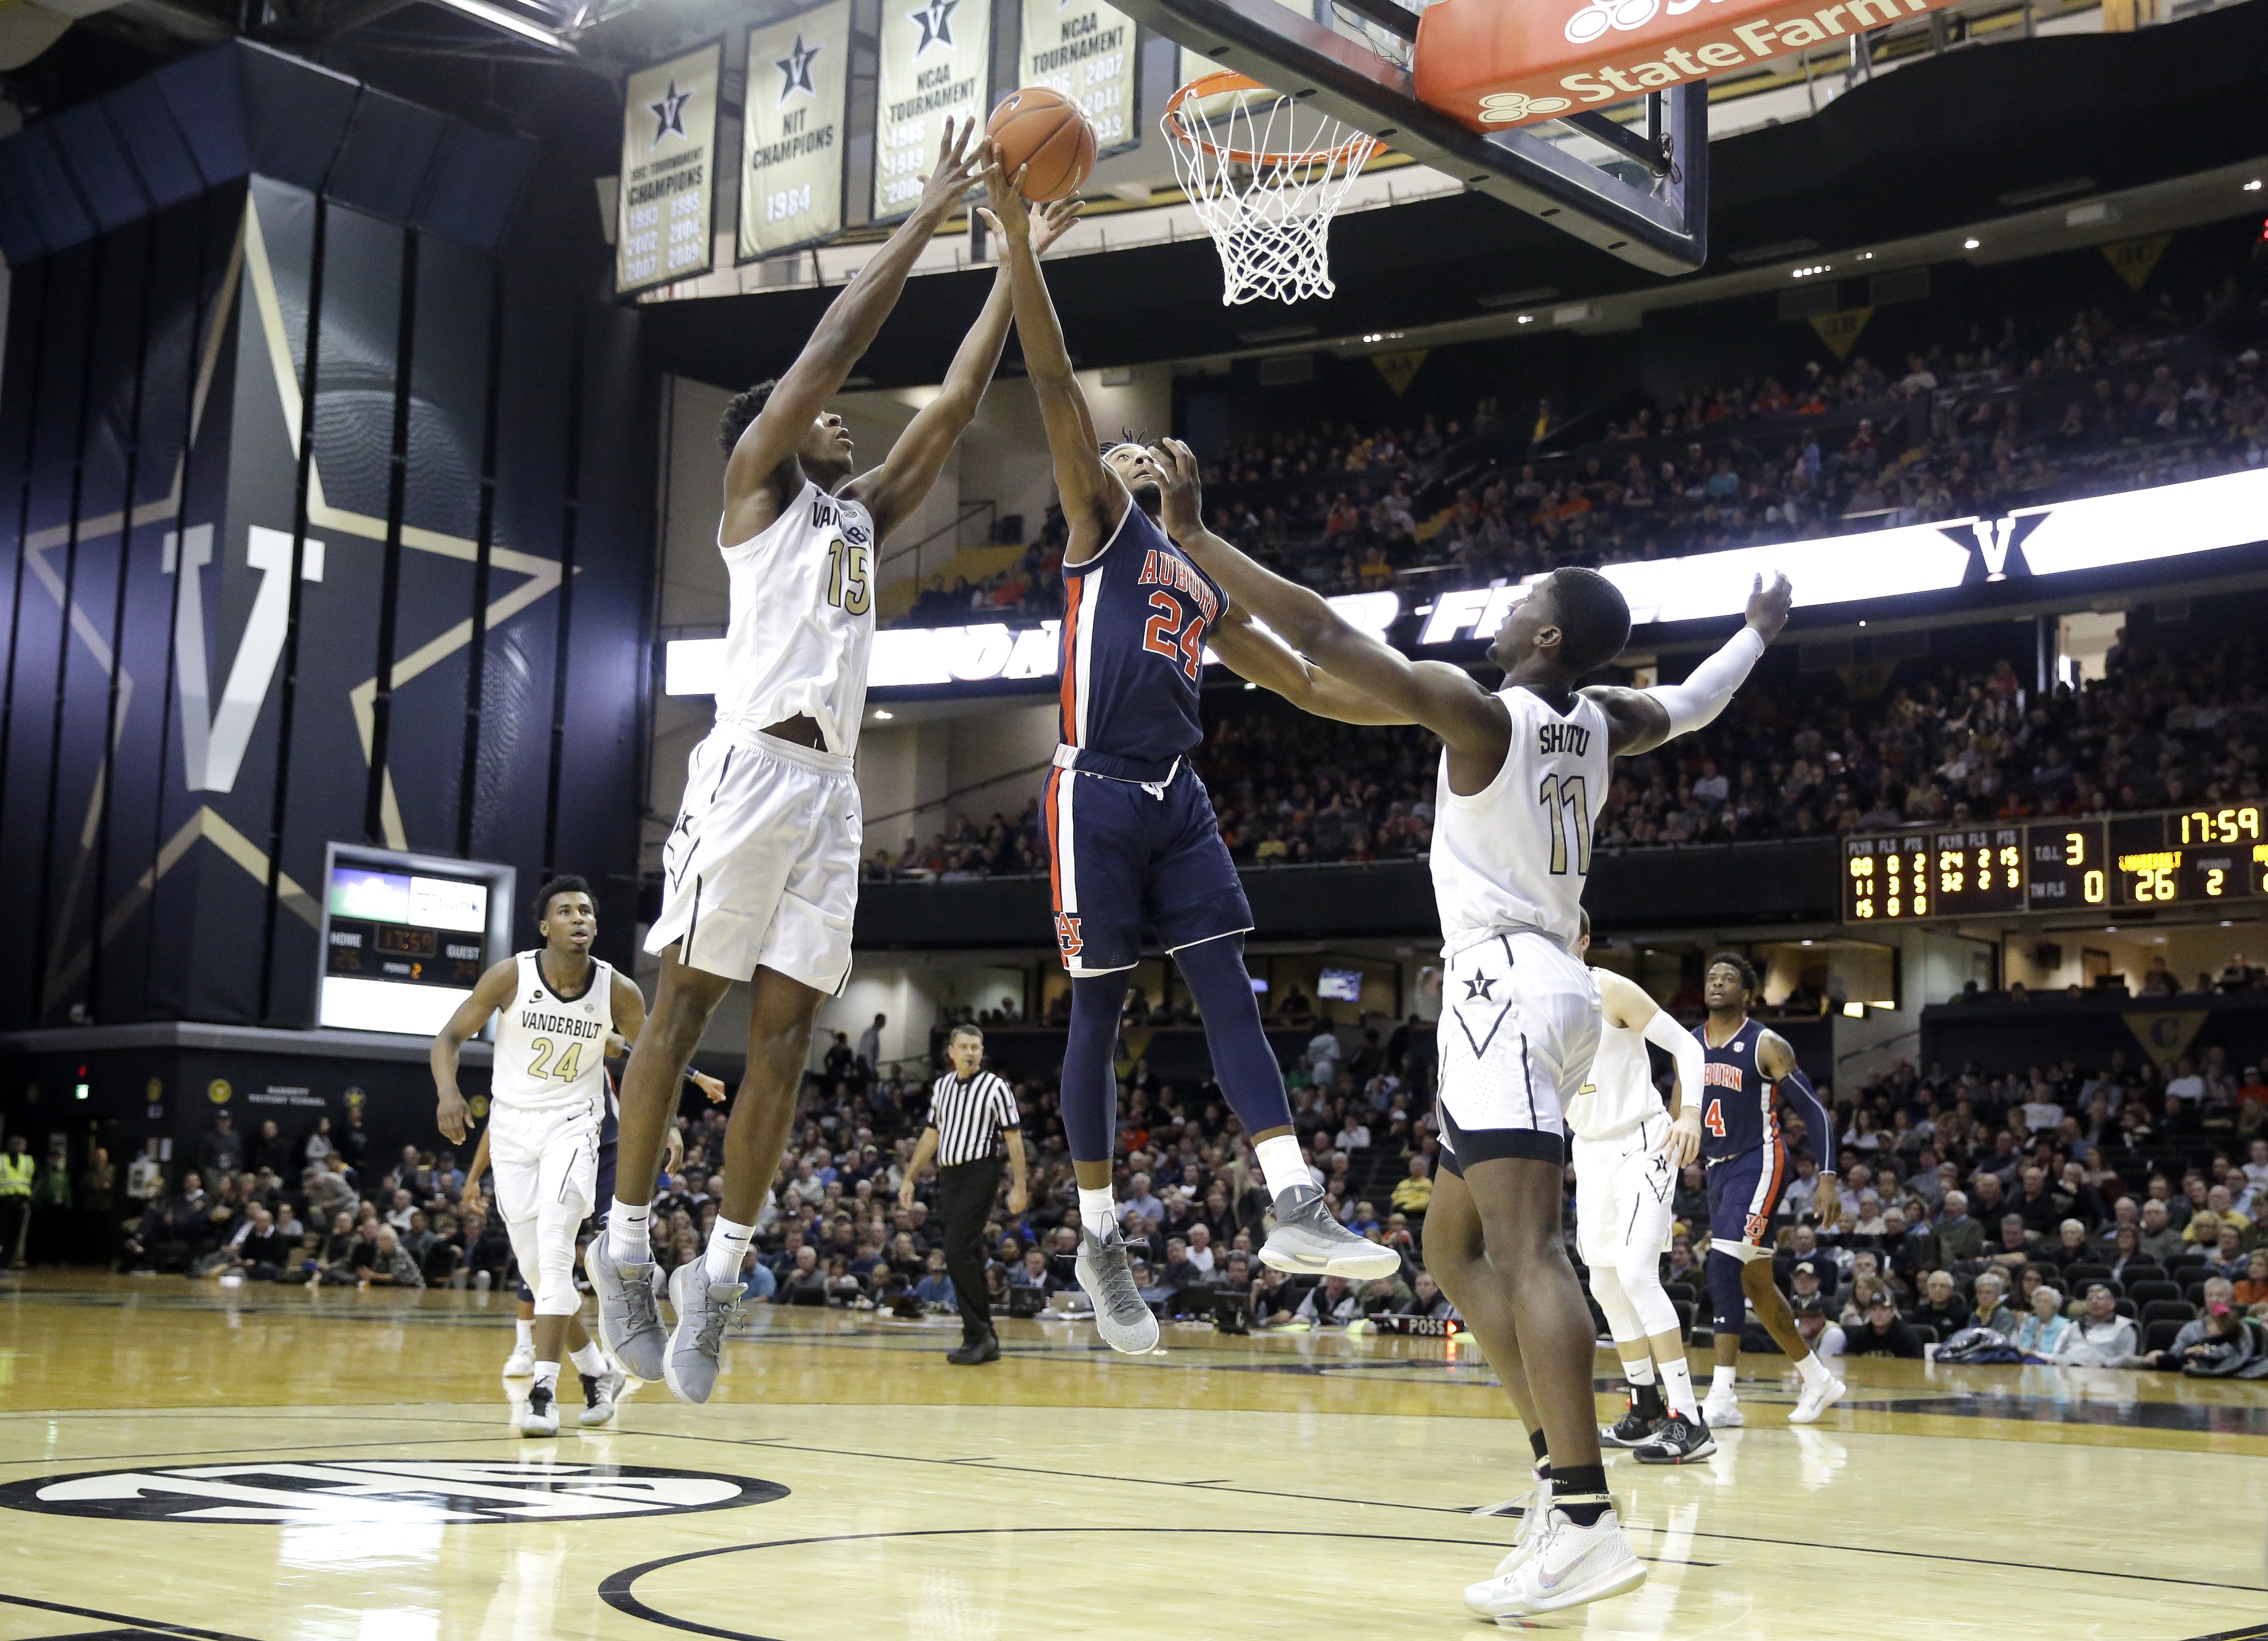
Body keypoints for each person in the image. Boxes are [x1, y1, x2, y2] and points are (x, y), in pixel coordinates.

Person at [1139, 432, 1792, 1618]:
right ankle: (1556, 1473)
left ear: (1545, 636)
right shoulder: (1599, 718)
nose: (1501, 609)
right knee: (1446, 1246)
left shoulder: (1480, 717)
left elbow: (1335, 643)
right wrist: (1753, 631)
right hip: (1537, 991)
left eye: (1521, 602)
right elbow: (1692, 703)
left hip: (1502, 988)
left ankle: (1587, 1517)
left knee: (1528, 1250)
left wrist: (1192, 535)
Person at [589, 127, 1085, 1406]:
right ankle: (628, 1246)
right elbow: (833, 348)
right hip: (746, 773)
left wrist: (1010, 261)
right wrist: (926, 213)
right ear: (767, 434)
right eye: (808, 411)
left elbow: (963, 404)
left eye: (828, 416)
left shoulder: (857, 519)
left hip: (830, 798)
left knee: (786, 1044)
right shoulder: (754, 493)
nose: (829, 413)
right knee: (683, 1004)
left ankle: (719, 1279)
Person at [976, 147, 1396, 1360]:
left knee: (1229, 996)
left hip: (1179, 798)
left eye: (1149, 451)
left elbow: (1305, 678)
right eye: (1119, 453)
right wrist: (1015, 245)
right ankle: (1098, 1234)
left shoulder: (1192, 574)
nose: (1132, 453)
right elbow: (1055, 384)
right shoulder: (1097, 537)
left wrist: (1429, 716)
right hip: (1091, 794)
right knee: (1097, 1020)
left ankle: (1292, 1201)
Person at [433, 876, 714, 1435]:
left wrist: (671, 1126)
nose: (579, 918)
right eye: (565, 911)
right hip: (513, 1130)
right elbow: (448, 1039)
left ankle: (542, 1394)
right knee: (538, 1272)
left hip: (575, 1126)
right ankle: (594, 1372)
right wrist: (448, 1093)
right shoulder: (510, 975)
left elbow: (651, 1059)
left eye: (586, 910)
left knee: (558, 1253)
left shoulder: (618, 990)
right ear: (546, 927)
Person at [1566, 912, 1712, 1464]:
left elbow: (1689, 1048)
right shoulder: (1539, 1005)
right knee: (1604, 1283)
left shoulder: (1611, 990)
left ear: (1581, 941)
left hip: (1642, 1142)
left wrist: (1690, 1115)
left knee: (1634, 1274)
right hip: (1589, 1148)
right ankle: (1645, 1406)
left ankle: (1689, 1419)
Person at [1693, 954, 1845, 1430]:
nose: (1717, 984)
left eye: (1729, 979)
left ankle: (1722, 1396)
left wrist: (1827, 1176)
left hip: (1759, 1162)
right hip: (1717, 1169)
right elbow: (1680, 1111)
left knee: (1721, 1264)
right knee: (1756, 1284)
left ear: (1748, 994)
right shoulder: (1691, 1043)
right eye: (1712, 978)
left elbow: (1814, 1111)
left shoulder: (1766, 1043)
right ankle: (1818, 1379)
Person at [900, 1025, 1029, 1365]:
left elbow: (1014, 1139)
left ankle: (978, 1334)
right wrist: (910, 1177)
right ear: (951, 1052)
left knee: (956, 1252)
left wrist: (1020, 1185)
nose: (970, 1052)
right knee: (968, 1252)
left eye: (976, 1047)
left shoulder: (997, 1087)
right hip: (949, 1176)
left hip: (980, 1172)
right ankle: (985, 1339)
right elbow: (931, 1134)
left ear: (982, 1052)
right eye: (964, 1046)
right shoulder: (942, 1086)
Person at [1847, 1292, 1924, 1358]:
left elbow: (1915, 1367)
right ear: (1869, 1313)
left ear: (1892, 1312)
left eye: (1883, 1309)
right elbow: (1850, 1364)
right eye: (1874, 1309)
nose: (1879, 1314)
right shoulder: (1858, 1335)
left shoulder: (1907, 1337)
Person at [0, 1134, 31, 1269]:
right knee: (3, 1231)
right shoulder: (2, 1160)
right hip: (4, 1200)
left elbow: (30, 1179)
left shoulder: (28, 1161)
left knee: (15, 1233)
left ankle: (7, 1261)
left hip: (21, 1201)